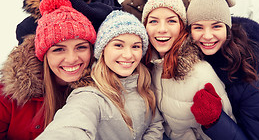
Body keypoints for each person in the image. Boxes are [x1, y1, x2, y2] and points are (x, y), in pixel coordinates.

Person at [36, 10, 164, 140]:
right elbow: (71, 126)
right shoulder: (90, 95)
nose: (128, 55)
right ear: (102, 50)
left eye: (135, 46)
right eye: (118, 45)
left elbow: (155, 124)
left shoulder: (144, 83)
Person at [0, 0, 97, 139]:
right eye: (59, 49)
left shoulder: (102, 92)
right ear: (43, 55)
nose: (71, 59)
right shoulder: (9, 95)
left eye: (81, 47)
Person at [187, 0, 259, 139]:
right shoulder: (191, 63)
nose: (207, 35)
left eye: (216, 26)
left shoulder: (251, 77)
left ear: (227, 29)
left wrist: (216, 123)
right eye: (198, 27)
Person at [142, 0, 235, 140]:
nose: (161, 29)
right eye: (153, 21)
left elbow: (226, 132)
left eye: (171, 21)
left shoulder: (201, 73)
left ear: (182, 27)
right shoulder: (150, 68)